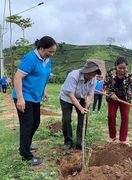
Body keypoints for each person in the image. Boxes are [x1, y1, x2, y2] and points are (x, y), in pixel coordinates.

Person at [12, 36, 57, 166]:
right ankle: (26, 155)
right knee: (27, 125)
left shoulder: (47, 60)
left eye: (54, 52)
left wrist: (45, 91)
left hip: (35, 96)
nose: (52, 54)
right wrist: (20, 98)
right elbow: (17, 77)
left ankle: (25, 145)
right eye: (50, 51)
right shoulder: (30, 58)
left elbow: (44, 77)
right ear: (41, 48)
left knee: (35, 122)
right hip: (24, 96)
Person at [60, 61, 101, 150]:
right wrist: (80, 108)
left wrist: (88, 102)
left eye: (93, 75)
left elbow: (90, 94)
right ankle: (68, 141)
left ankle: (80, 143)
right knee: (66, 119)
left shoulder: (93, 79)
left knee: (83, 120)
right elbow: (71, 95)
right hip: (67, 98)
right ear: (85, 71)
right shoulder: (73, 76)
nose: (91, 77)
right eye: (89, 74)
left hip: (81, 97)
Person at [104, 57, 132, 144]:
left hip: (125, 98)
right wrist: (111, 94)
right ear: (116, 67)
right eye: (120, 68)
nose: (122, 70)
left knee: (125, 117)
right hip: (113, 97)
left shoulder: (130, 76)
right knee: (111, 116)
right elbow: (106, 84)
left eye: (124, 68)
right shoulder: (110, 72)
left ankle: (122, 139)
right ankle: (112, 136)